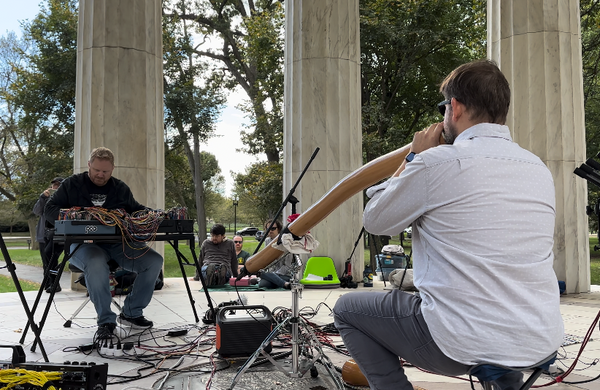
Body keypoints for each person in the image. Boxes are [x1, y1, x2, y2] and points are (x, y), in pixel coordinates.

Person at [333, 60, 564, 390]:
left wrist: (412, 158)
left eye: (443, 108)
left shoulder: (434, 163)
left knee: (346, 309)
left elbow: (375, 219)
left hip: (457, 343)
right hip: (540, 340)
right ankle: (504, 382)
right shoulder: (539, 168)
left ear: (454, 108)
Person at [45, 147, 164, 339]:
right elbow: (49, 209)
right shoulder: (72, 184)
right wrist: (72, 215)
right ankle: (106, 321)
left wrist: (156, 215)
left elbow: (135, 210)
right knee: (95, 263)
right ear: (89, 165)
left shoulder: (119, 188)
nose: (100, 175)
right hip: (83, 244)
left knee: (153, 261)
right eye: (97, 170)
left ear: (113, 169)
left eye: (105, 172)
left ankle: (131, 312)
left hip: (117, 244)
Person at [33, 177, 65, 293]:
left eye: (58, 185)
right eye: (54, 185)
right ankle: (48, 284)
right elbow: (36, 211)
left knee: (51, 258)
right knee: (46, 261)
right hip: (43, 234)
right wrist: (43, 198)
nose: (55, 188)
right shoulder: (46, 199)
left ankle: (54, 284)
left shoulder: (64, 199)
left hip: (57, 234)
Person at [257, 220, 293, 290]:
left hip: (284, 274)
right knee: (262, 283)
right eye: (268, 229)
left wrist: (275, 275)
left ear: (278, 229)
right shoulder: (267, 241)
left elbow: (287, 266)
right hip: (271, 274)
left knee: (266, 280)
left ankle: (279, 282)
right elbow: (267, 261)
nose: (270, 231)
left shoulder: (286, 241)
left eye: (273, 228)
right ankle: (284, 284)